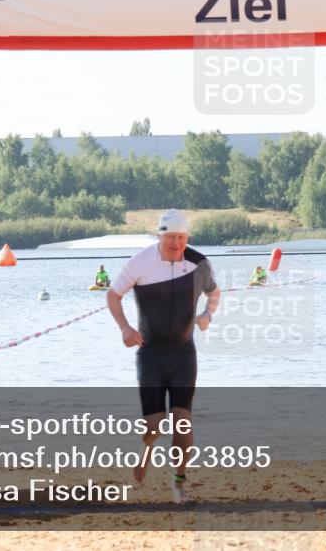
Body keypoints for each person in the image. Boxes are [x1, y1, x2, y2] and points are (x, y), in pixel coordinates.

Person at [106, 209, 221, 504]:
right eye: (171, 237)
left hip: (184, 354)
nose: (176, 244)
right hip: (150, 354)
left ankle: (179, 482)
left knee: (183, 420)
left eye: (181, 238)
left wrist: (207, 314)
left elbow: (215, 293)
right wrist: (124, 328)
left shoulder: (199, 263)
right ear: (160, 236)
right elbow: (113, 295)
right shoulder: (141, 261)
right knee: (153, 426)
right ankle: (146, 449)